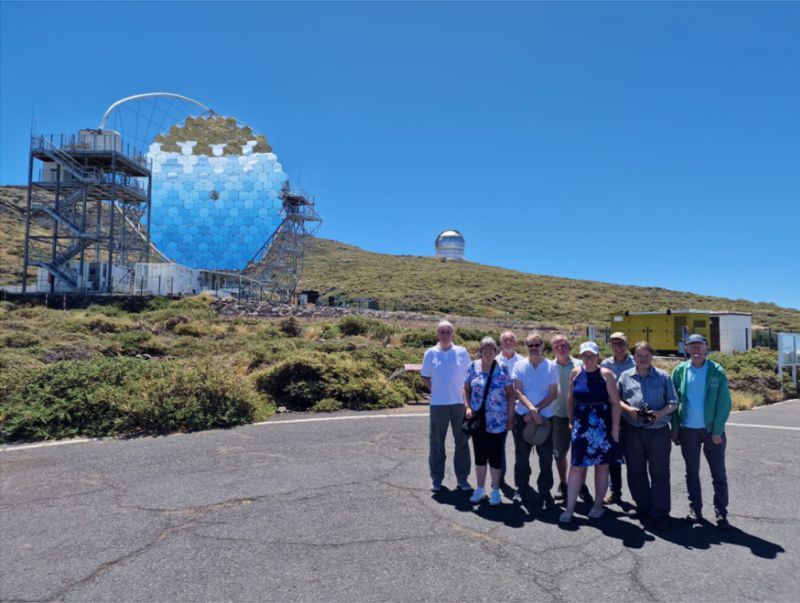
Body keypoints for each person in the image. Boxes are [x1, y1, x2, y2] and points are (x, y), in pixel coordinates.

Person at [671, 334, 733, 530]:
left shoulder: (716, 371)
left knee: (719, 474)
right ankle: (695, 509)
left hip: (711, 431)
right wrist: (675, 429)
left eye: (700, 345)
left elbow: (725, 403)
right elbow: (674, 401)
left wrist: (716, 430)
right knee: (692, 472)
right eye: (692, 345)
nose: (696, 349)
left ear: (707, 348)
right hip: (688, 430)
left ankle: (721, 512)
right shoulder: (680, 371)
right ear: (686, 349)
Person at [617, 341, 678, 531]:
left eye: (647, 356)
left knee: (659, 473)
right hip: (632, 430)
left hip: (658, 431)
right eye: (639, 356)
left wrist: (658, 413)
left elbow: (674, 402)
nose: (643, 359)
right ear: (633, 357)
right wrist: (629, 409)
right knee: (636, 471)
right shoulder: (625, 377)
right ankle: (643, 506)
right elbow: (617, 400)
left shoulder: (663, 377)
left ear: (652, 356)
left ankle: (660, 513)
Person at [560, 342, 623, 523]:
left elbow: (615, 403)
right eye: (585, 355)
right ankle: (570, 508)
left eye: (592, 355)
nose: (588, 359)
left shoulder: (606, 375)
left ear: (597, 356)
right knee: (577, 467)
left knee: (602, 467)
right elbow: (570, 399)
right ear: (580, 356)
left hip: (602, 427)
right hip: (582, 426)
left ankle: (597, 506)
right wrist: (571, 420)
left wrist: (614, 429)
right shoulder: (576, 373)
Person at [464, 337, 516, 506]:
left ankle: (495, 490)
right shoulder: (473, 366)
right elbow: (466, 388)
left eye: (491, 349)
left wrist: (510, 416)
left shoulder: (502, 368)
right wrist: (467, 407)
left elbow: (510, 394)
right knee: (479, 454)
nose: (488, 351)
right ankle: (480, 489)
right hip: (478, 420)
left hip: (497, 420)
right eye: (485, 348)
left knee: (495, 456)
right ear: (480, 350)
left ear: (495, 351)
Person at [421, 320, 472, 492]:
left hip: (459, 404)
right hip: (438, 404)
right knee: (436, 442)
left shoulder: (462, 352)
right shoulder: (430, 353)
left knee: (462, 442)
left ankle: (463, 479)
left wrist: (467, 402)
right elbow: (425, 378)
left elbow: (469, 377)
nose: (445, 335)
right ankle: (436, 479)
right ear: (437, 334)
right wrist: (437, 391)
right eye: (441, 332)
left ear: (453, 333)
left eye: (448, 331)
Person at [511, 332, 559, 508]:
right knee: (521, 457)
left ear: (543, 346)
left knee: (545, 458)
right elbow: (518, 391)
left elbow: (554, 393)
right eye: (530, 345)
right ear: (526, 347)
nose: (533, 348)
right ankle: (521, 488)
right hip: (523, 417)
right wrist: (531, 410)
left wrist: (535, 411)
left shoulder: (551, 367)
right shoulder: (519, 365)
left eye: (536, 345)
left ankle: (545, 492)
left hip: (545, 419)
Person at [550, 334, 592, 505]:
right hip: (557, 416)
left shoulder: (580, 365)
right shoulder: (549, 366)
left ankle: (582, 486)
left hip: (579, 416)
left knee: (581, 453)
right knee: (559, 453)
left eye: (564, 344)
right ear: (552, 348)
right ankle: (564, 484)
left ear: (569, 346)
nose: (561, 347)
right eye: (557, 345)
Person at [600, 332, 635, 506]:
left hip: (630, 416)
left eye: (621, 343)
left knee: (633, 457)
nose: (617, 347)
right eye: (614, 343)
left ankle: (639, 495)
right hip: (610, 416)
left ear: (626, 345)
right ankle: (615, 492)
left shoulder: (634, 363)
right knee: (613, 456)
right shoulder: (605, 364)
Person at [495, 331, 525, 489]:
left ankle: (520, 483)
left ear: (515, 342)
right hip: (498, 410)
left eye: (511, 340)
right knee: (499, 447)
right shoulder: (493, 361)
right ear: (501, 343)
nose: (508, 342)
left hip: (519, 409)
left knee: (520, 448)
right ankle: (499, 478)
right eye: (505, 340)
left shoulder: (522, 361)